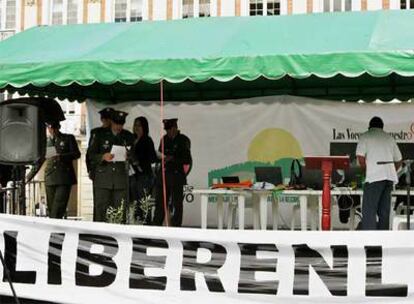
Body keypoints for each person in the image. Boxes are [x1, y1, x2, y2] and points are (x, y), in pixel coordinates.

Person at [88, 110, 135, 222]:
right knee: (101, 210)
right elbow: (91, 155)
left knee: (120, 210)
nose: (119, 127)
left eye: (121, 124)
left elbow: (134, 154)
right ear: (111, 122)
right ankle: (100, 237)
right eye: (116, 124)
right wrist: (102, 157)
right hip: (103, 178)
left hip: (120, 179)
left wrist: (129, 156)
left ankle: (119, 237)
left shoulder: (127, 136)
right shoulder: (100, 135)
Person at [356, 116, 402, 230]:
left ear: (369, 127)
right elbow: (399, 160)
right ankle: (383, 239)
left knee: (369, 211)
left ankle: (370, 240)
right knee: (384, 212)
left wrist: (367, 171)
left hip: (374, 178)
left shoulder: (365, 136)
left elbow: (360, 158)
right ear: (382, 127)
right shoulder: (389, 138)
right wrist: (391, 170)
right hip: (389, 178)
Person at [153, 118, 192, 227]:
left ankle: (176, 229)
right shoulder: (164, 139)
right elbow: (160, 154)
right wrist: (161, 157)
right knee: (160, 205)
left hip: (177, 176)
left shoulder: (183, 140)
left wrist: (172, 158)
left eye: (170, 129)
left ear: (175, 128)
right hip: (164, 175)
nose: (168, 132)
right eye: (167, 130)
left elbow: (187, 159)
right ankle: (155, 228)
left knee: (177, 205)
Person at [45, 122, 81, 219]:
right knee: (51, 208)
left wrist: (61, 157)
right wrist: (28, 177)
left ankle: (54, 230)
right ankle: (54, 230)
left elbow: (77, 154)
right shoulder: (46, 141)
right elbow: (39, 161)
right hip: (50, 177)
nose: (51, 130)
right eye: (49, 128)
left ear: (58, 127)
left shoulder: (68, 138)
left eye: (53, 128)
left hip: (64, 177)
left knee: (58, 208)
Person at [130, 116, 157, 223]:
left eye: (139, 125)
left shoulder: (147, 140)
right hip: (133, 175)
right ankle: (137, 226)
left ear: (144, 127)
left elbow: (153, 158)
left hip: (144, 175)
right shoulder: (132, 139)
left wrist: (139, 160)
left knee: (144, 203)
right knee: (135, 203)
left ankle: (147, 228)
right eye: (135, 125)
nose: (136, 127)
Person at [86, 107, 114, 179]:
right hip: (98, 168)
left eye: (109, 118)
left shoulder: (116, 132)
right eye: (105, 118)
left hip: (113, 169)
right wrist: (89, 169)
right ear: (102, 119)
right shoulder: (96, 132)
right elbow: (90, 152)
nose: (107, 120)